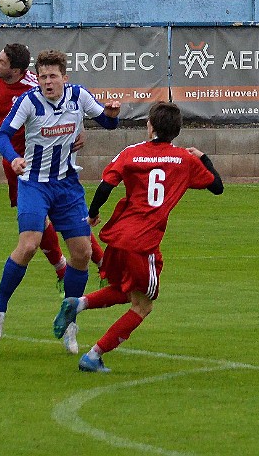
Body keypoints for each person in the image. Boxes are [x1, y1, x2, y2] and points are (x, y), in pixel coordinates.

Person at [52, 101, 223, 372]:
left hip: (119, 236)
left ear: (151, 126)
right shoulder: (184, 160)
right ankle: (94, 356)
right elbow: (217, 187)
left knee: (125, 291)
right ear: (176, 131)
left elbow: (107, 184)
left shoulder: (131, 153)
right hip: (143, 242)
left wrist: (94, 213)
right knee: (143, 305)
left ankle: (77, 303)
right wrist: (203, 158)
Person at [0, 48, 121, 354]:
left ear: (64, 77)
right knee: (29, 243)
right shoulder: (27, 101)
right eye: (43, 76)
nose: (48, 82)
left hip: (67, 185)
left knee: (83, 253)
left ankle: (70, 323)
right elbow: (4, 136)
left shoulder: (78, 96)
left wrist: (113, 113)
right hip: (34, 183)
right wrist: (14, 158)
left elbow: (109, 124)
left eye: (53, 76)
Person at [0, 44, 105, 286]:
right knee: (37, 224)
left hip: (44, 163)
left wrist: (81, 130)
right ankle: (63, 269)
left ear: (16, 70)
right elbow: (7, 121)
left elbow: (66, 111)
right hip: (15, 162)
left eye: (2, 61)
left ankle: (98, 265)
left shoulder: (33, 87)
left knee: (64, 220)